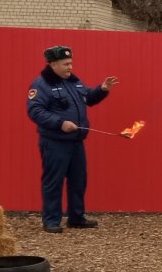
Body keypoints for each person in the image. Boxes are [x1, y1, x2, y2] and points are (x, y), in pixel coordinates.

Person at [26, 45, 119, 233]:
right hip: (55, 142)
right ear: (53, 64)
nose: (70, 67)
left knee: (78, 180)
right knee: (54, 181)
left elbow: (88, 99)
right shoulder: (41, 84)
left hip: (76, 142)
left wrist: (102, 89)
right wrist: (60, 123)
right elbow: (35, 111)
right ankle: (51, 220)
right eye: (66, 64)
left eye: (71, 63)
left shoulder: (73, 81)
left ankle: (76, 217)